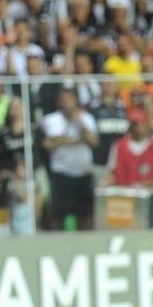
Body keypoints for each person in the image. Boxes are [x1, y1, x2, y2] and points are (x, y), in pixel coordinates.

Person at [41, 87, 99, 231]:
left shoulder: (86, 118)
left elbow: (93, 141)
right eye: (63, 99)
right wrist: (71, 139)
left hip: (84, 172)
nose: (67, 103)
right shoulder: (51, 119)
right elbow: (48, 143)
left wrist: (78, 122)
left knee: (85, 215)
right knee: (59, 216)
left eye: (70, 99)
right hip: (62, 173)